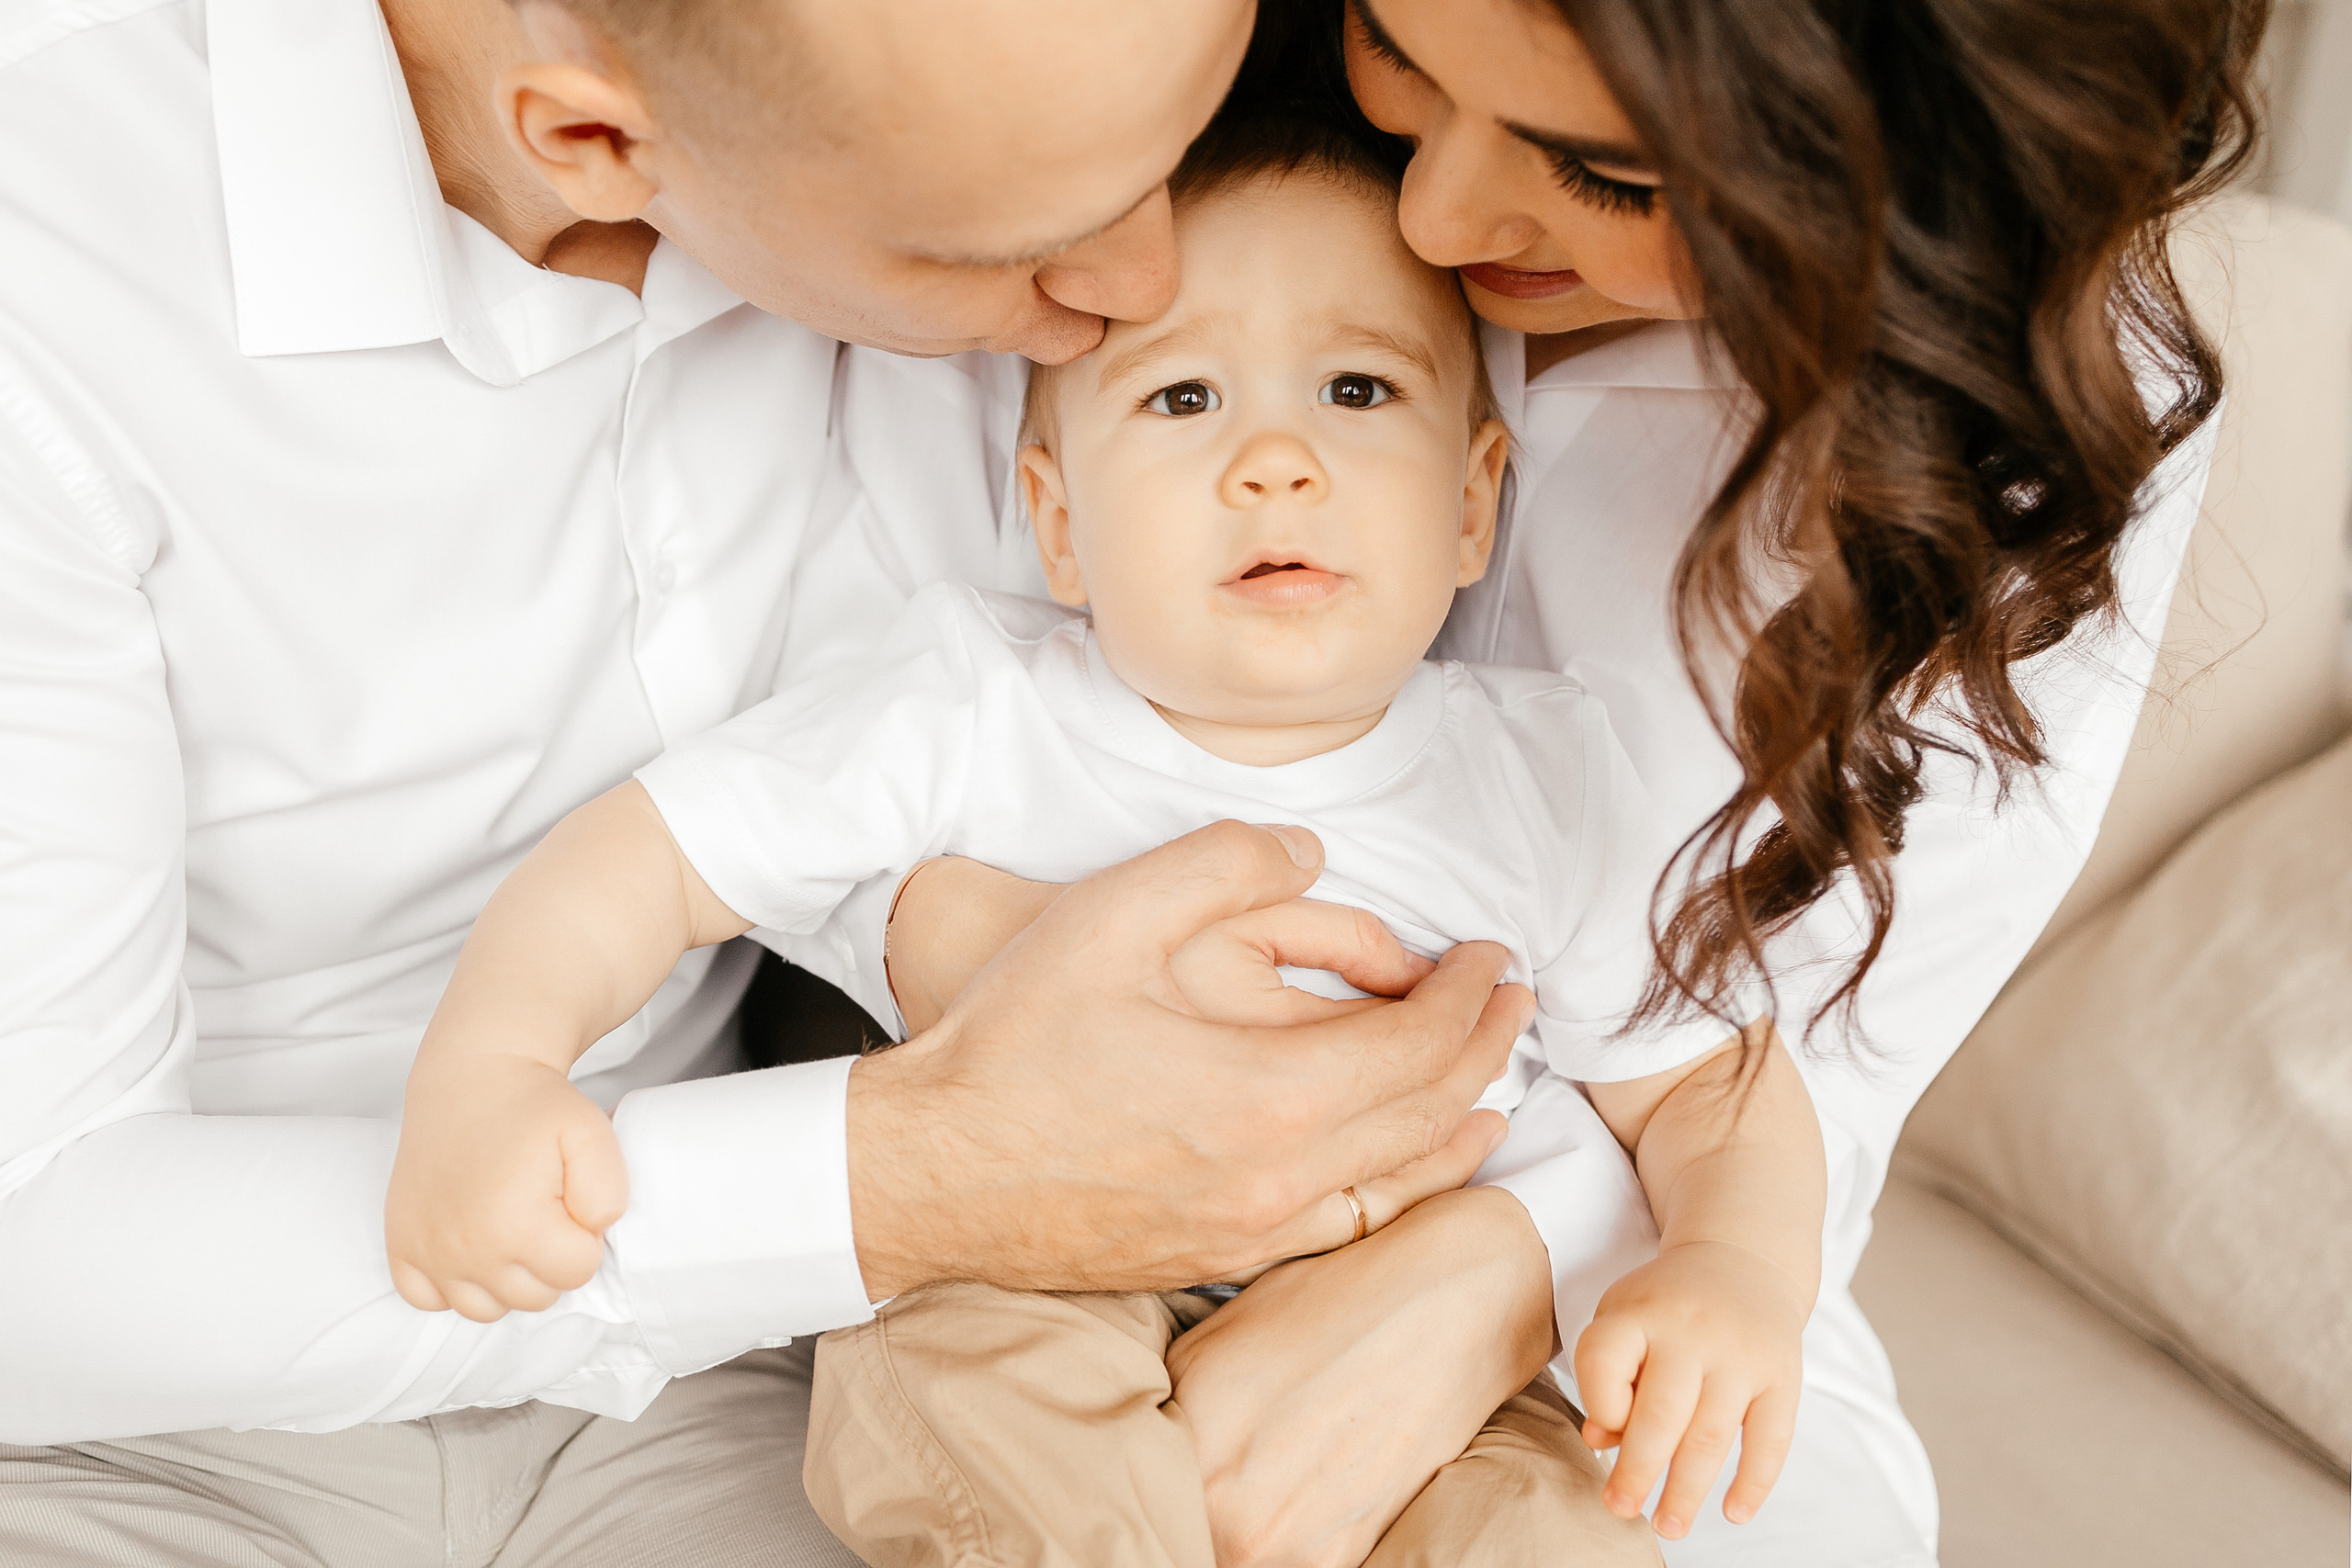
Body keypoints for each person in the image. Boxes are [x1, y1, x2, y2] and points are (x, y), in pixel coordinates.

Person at [0, 1, 1533, 1562]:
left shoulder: (993, 143)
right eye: (1013, 238)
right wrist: (911, 1175)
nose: (1142, 287)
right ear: (594, 145)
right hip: (125, 1427)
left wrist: (1518, 1252)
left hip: (732, 1378)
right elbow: (31, 1249)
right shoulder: (49, 280)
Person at [850, 1, 2264, 1563]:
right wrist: (963, 947)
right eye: (1401, 48)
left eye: (1603, 170)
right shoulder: (1107, 159)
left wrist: (1483, 1272)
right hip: (1041, 1174)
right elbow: (832, 773)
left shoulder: (2028, 426)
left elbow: (1799, 1074)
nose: (1436, 211)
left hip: (1614, 1261)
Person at [379, 117, 1829, 1568]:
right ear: (1058, 526)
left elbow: (1709, 1083)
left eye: (1354, 386)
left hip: (1420, 1354)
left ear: (1469, 505)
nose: (1276, 459)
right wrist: (495, 1068)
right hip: (1023, 1261)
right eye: (1186, 395)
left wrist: (1734, 1263)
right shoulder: (974, 702)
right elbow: (650, 854)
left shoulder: (1549, 780)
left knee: (1553, 1529)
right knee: (976, 1392)